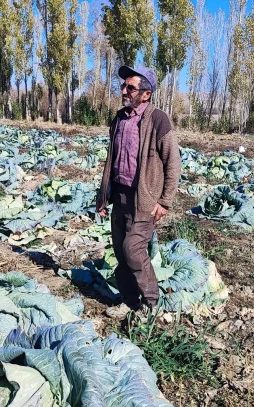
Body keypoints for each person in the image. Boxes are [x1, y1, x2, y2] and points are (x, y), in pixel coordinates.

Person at [96, 65, 180, 318]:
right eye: (123, 86)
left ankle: (151, 302)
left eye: (130, 87)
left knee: (134, 248)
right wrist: (103, 197)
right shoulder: (119, 118)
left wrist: (164, 201)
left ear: (146, 94)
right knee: (121, 251)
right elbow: (112, 160)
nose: (124, 90)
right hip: (120, 196)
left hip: (144, 199)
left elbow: (173, 162)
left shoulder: (158, 120)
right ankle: (129, 300)